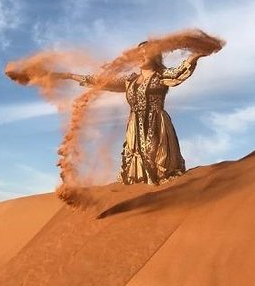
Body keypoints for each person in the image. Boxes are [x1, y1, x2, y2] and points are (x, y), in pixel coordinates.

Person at [61, 41, 205, 185]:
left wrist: (196, 56)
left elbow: (178, 73)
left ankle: (166, 195)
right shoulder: (130, 80)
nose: (140, 57)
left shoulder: (160, 76)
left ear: (154, 57)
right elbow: (103, 81)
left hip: (156, 126)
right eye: (138, 54)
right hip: (134, 128)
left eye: (145, 54)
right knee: (135, 163)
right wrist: (71, 76)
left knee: (157, 162)